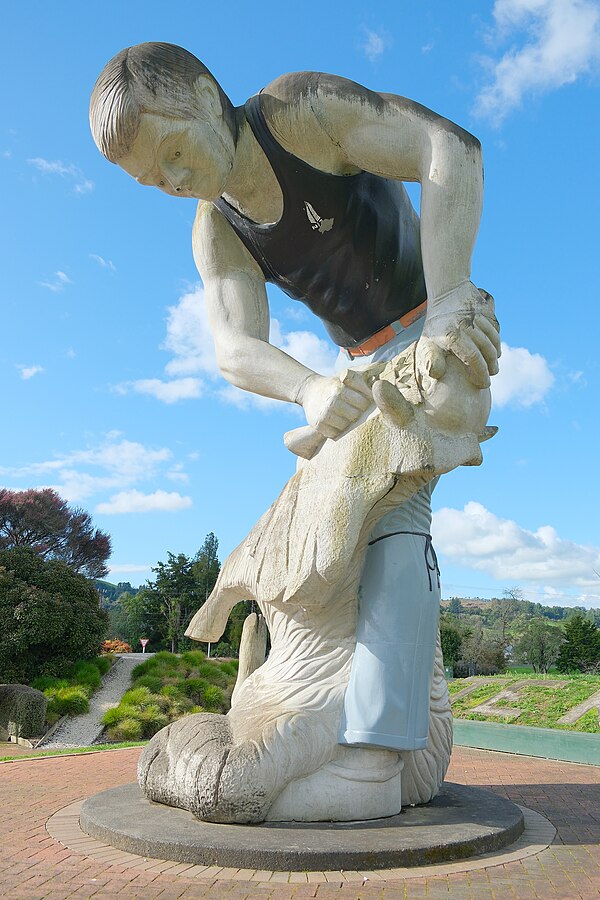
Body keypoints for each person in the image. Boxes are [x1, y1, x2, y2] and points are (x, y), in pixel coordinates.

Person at [90, 42, 500, 753]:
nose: (178, 182)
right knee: (325, 535)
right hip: (362, 372)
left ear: (209, 103)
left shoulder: (298, 115)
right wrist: (309, 390)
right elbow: (232, 347)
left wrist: (452, 293)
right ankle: (323, 702)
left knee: (391, 498)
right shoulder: (217, 227)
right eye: (155, 181)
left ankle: (383, 749)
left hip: (442, 336)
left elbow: (448, 148)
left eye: (177, 154)